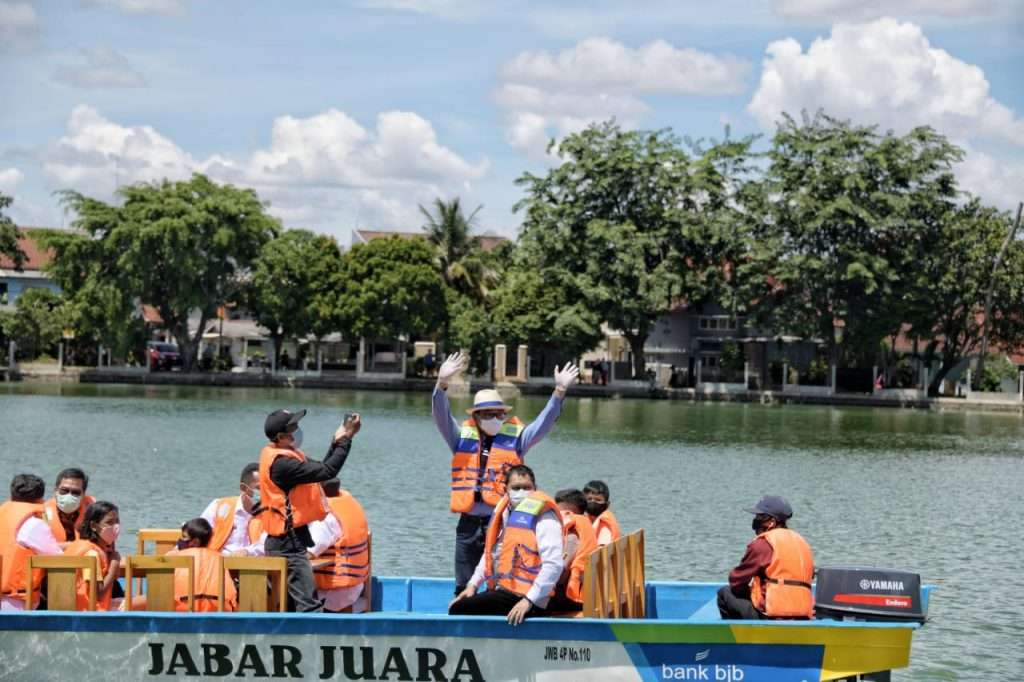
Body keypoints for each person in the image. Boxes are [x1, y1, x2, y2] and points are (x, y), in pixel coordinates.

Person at [433, 351, 579, 596]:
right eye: (488, 414)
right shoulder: (459, 438)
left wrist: (559, 393)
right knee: (463, 584)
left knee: (500, 580)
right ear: (476, 417)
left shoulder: (518, 440)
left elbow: (544, 423)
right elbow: (440, 416)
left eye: (499, 413)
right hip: (468, 524)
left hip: (501, 520)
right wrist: (441, 384)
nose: (495, 418)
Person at [258, 408, 361, 612]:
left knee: (293, 603)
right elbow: (328, 471)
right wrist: (347, 438)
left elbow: (323, 470)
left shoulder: (291, 456)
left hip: (290, 539)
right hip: (286, 543)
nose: (298, 430)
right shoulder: (282, 464)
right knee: (308, 605)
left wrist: (338, 438)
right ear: (280, 437)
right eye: (293, 427)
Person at [449, 465, 564, 625]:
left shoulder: (545, 517)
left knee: (458, 610)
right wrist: (472, 585)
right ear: (505, 489)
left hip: (533, 599)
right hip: (507, 591)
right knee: (459, 603)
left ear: (535, 488)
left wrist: (528, 601)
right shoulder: (505, 512)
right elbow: (492, 554)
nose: (522, 492)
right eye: (516, 488)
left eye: (527, 487)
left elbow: (554, 565)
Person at [717, 495, 815, 620]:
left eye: (759, 517)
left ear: (771, 522)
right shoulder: (802, 542)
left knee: (725, 593)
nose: (755, 520)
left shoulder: (763, 543)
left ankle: (744, 637)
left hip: (773, 615)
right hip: (803, 615)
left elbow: (736, 581)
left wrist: (751, 591)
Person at [308, 478, 370, 613]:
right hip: (356, 585)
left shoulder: (326, 517)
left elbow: (308, 553)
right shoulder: (351, 504)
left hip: (334, 594)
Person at [0, 474, 62, 610]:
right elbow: (57, 558)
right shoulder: (34, 524)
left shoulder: (3, 513)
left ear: (12, 496)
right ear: (40, 500)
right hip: (15, 601)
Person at [169, 518, 237, 612]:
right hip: (219, 610)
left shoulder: (176, 556)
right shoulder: (221, 558)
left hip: (182, 609)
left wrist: (174, 551)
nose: (181, 540)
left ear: (195, 542)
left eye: (184, 537)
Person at [64, 501, 122, 611]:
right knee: (146, 600)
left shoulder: (80, 545)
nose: (115, 526)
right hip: (90, 610)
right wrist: (113, 567)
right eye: (109, 522)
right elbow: (98, 594)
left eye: (117, 521)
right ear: (94, 526)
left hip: (75, 607)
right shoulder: (92, 554)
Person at [200, 462, 266, 556]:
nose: (264, 493)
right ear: (243, 488)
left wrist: (247, 552)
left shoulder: (272, 515)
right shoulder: (218, 506)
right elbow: (197, 531)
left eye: (267, 488)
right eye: (259, 488)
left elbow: (267, 545)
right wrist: (180, 547)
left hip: (251, 565)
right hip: (217, 564)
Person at [550, 488, 597, 612]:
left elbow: (559, 576)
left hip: (570, 598)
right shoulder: (585, 524)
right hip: (586, 593)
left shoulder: (572, 534)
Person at [43, 468, 96, 545]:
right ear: (55, 490)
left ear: (83, 494)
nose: (69, 495)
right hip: (52, 556)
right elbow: (39, 547)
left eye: (75, 492)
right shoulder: (43, 514)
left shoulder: (94, 513)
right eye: (64, 490)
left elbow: (103, 546)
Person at [584, 480, 621, 546]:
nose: (593, 502)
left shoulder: (604, 523)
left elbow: (602, 550)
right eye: (589, 499)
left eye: (598, 500)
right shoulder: (586, 519)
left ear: (607, 504)